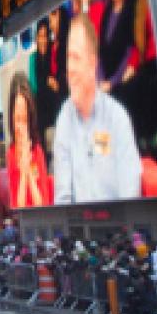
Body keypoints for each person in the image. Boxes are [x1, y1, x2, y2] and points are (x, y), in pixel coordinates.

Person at [52, 14, 143, 203]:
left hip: (120, 226)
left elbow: (131, 192)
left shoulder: (117, 117)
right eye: (68, 58)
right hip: (79, 230)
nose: (69, 68)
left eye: (76, 58)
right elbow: (62, 198)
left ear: (92, 63)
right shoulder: (64, 118)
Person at [6, 73, 53, 208]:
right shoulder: (11, 154)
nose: (20, 126)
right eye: (17, 119)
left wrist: (28, 173)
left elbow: (41, 205)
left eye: (25, 119)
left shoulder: (37, 151)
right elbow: (18, 208)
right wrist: (23, 173)